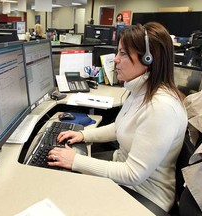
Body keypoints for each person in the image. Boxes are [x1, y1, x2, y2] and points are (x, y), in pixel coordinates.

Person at [48, 22, 188, 212]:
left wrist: (76, 161)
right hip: (122, 167)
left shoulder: (161, 108)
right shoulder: (141, 90)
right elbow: (120, 126)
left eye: (123, 53)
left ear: (148, 59)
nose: (115, 59)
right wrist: (84, 136)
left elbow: (133, 174)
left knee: (66, 195)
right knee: (63, 176)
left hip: (145, 195)